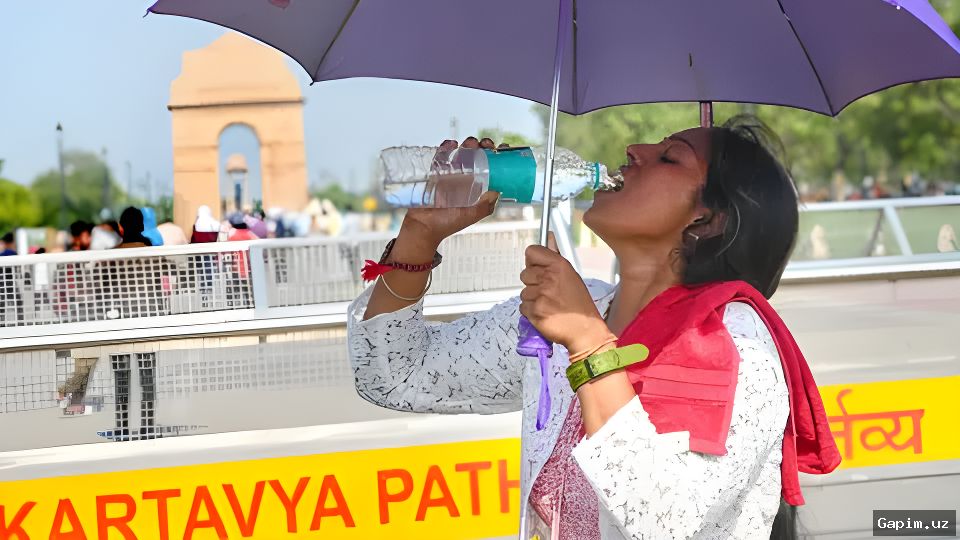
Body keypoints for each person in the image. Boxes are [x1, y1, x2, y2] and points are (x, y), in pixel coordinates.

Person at [348, 120, 841, 539]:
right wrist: (420, 236)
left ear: (707, 221)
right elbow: (396, 376)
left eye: (670, 158)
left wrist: (587, 342)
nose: (634, 151)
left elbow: (667, 521)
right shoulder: (572, 313)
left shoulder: (734, 341)